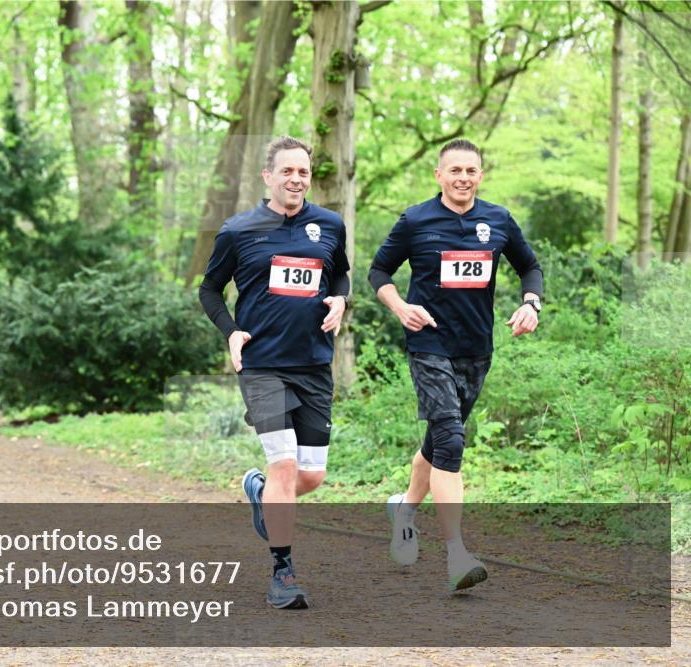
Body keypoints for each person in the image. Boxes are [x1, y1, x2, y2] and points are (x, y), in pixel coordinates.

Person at [368, 138, 543, 592]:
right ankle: (457, 555)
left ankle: (404, 509)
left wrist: (531, 303)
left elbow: (530, 267)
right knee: (450, 437)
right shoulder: (416, 220)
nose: (463, 178)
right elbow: (378, 272)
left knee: (439, 440)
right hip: (428, 343)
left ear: (480, 175)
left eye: (471, 170)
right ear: (439, 175)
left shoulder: (499, 219)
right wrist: (399, 307)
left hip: (477, 348)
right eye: (455, 170)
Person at [198, 136, 350, 609]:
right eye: (287, 171)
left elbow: (339, 273)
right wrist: (231, 331)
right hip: (262, 363)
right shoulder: (238, 230)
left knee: (311, 476)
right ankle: (283, 574)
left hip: (314, 363)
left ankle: (262, 492)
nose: (296, 179)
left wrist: (340, 298)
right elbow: (209, 289)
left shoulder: (330, 225)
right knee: (284, 463)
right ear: (268, 176)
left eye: (303, 172)